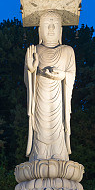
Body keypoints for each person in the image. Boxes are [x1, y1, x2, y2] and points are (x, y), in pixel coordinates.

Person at [24, 11, 76, 161]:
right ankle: (39, 152)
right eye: (47, 25)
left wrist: (63, 75)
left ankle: (59, 152)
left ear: (61, 30)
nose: (51, 29)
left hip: (58, 99)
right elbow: (27, 81)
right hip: (40, 98)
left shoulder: (67, 51)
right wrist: (31, 70)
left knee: (58, 126)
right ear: (40, 31)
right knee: (40, 126)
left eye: (55, 25)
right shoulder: (35, 50)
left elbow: (72, 74)